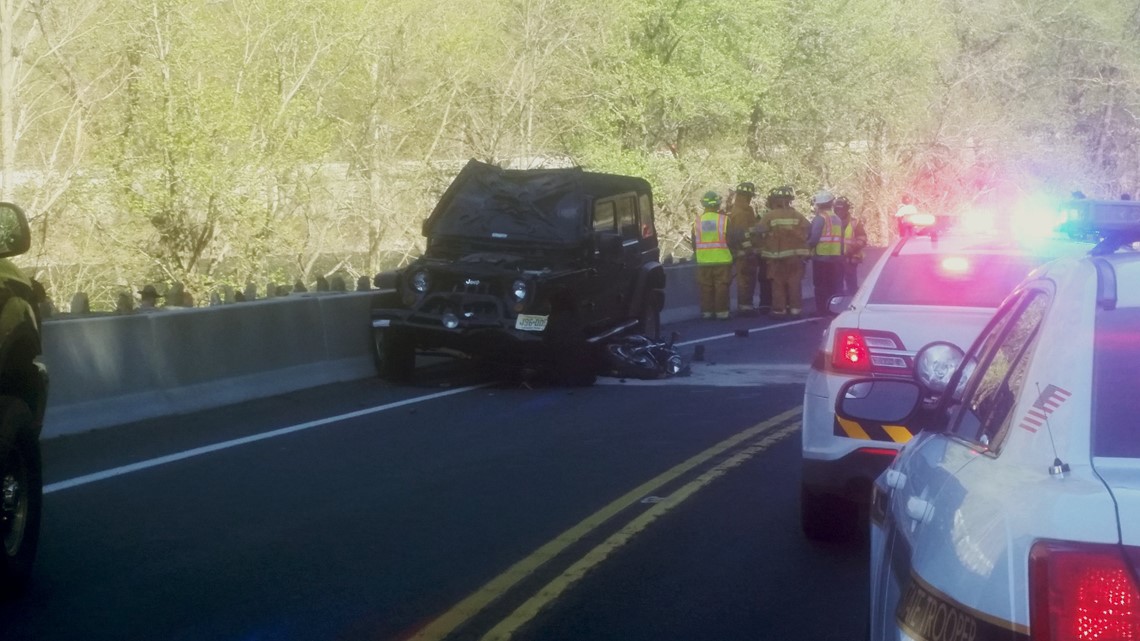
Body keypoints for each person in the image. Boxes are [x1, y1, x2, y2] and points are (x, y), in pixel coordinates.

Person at [756, 185, 810, 318]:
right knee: (794, 284)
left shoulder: (770, 215)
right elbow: (807, 232)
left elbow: (758, 231)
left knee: (778, 284)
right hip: (796, 258)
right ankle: (795, 310)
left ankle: (779, 311)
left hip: (777, 258)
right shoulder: (798, 216)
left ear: (775, 201)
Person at [726, 181, 769, 315]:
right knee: (745, 280)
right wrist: (749, 249)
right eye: (749, 196)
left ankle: (748, 305)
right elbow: (740, 234)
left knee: (749, 280)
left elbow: (751, 229)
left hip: (750, 252)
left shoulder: (747, 210)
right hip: (744, 253)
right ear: (744, 196)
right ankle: (745, 308)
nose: (750, 199)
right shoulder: (739, 212)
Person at [692, 191, 733, 320]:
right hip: (722, 260)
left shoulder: (697, 222)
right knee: (721, 287)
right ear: (718, 205)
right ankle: (722, 313)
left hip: (703, 261)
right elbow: (731, 240)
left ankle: (707, 312)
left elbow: (694, 243)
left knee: (706, 287)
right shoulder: (724, 220)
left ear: (704, 205)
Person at [807, 190, 845, 316]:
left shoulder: (820, 218)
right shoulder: (837, 218)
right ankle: (832, 309)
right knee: (832, 284)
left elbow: (814, 239)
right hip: (835, 258)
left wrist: (806, 248)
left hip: (821, 257)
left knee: (820, 285)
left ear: (818, 205)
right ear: (830, 203)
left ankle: (821, 310)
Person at [834, 196, 868, 295]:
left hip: (850, 259)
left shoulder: (855, 223)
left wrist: (851, 249)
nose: (839, 211)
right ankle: (837, 303)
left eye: (841, 209)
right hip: (835, 258)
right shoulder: (830, 222)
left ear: (847, 209)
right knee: (837, 284)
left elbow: (862, 238)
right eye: (837, 209)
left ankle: (853, 303)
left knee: (851, 282)